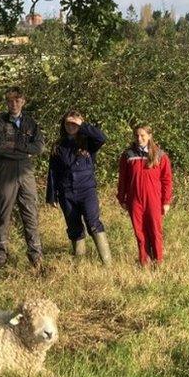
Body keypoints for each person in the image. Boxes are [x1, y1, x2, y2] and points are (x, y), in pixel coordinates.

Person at [45, 110, 112, 265]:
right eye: (68, 123)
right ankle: (80, 265)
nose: (71, 126)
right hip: (66, 192)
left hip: (87, 190)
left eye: (74, 123)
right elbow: (53, 171)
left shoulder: (89, 142)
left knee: (93, 223)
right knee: (74, 227)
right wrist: (51, 196)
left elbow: (102, 137)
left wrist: (83, 125)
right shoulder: (58, 145)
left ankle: (108, 264)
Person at [0, 86, 45, 269]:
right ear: (6, 102)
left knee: (30, 213)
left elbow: (39, 148)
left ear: (23, 101)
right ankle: (0, 257)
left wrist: (15, 147)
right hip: (5, 171)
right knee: (3, 214)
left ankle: (36, 257)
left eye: (17, 100)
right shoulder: (0, 121)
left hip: (26, 172)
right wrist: (24, 149)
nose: (13, 104)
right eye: (10, 100)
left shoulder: (30, 123)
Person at [116, 123, 173, 266]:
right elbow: (123, 178)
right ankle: (144, 262)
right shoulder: (128, 154)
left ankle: (158, 261)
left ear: (149, 136)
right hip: (135, 200)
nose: (139, 138)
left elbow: (167, 180)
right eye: (136, 135)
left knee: (155, 230)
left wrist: (166, 201)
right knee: (140, 232)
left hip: (154, 199)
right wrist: (121, 197)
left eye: (142, 135)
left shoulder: (160, 155)